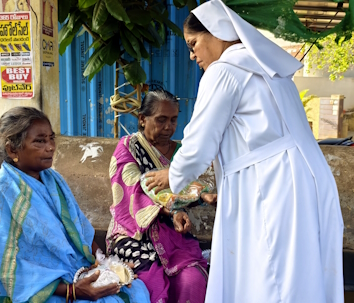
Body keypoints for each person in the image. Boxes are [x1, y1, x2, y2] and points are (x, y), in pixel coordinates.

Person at [145, 1, 344, 302]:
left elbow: (200, 141)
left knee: (270, 274)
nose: (192, 54)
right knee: (297, 272)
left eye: (194, 43)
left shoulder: (225, 69)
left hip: (270, 184)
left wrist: (173, 175)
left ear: (218, 32)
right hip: (302, 180)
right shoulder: (268, 68)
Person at [0, 107, 150, 303]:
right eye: (40, 141)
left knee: (135, 290)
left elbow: (80, 230)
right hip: (38, 292)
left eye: (51, 138)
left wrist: (107, 264)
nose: (50, 147)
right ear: (12, 149)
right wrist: (72, 292)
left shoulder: (52, 179)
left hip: (74, 271)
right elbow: (11, 270)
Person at [106, 90, 215, 303]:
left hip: (173, 234)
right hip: (133, 235)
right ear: (142, 119)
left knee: (192, 280)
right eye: (161, 120)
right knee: (152, 283)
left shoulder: (182, 154)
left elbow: (186, 189)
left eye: (173, 120)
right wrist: (174, 210)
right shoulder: (129, 148)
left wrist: (204, 195)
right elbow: (135, 188)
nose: (168, 127)